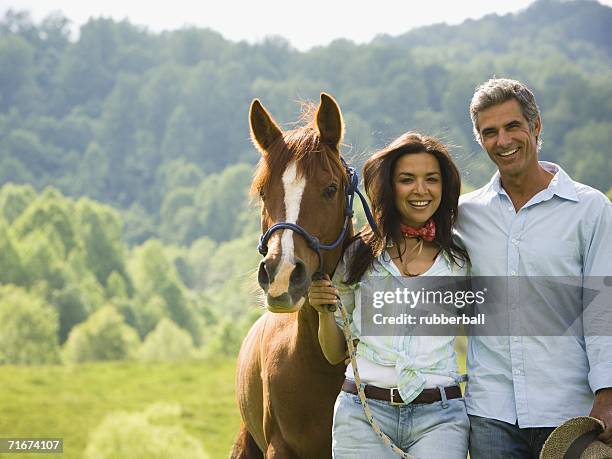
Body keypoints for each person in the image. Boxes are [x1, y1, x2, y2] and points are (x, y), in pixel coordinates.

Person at [455, 78, 612, 458]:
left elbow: (603, 311)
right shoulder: (463, 215)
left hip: (567, 409)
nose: (503, 141)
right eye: (489, 132)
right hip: (489, 413)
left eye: (512, 127)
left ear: (535, 126)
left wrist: (607, 396)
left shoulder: (590, 210)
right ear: (480, 139)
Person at [309, 132, 471, 458]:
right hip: (363, 413)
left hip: (440, 417)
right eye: (407, 179)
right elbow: (333, 353)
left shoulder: (461, 259)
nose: (421, 190)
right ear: (389, 186)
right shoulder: (359, 255)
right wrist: (325, 312)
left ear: (445, 187)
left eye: (431, 179)